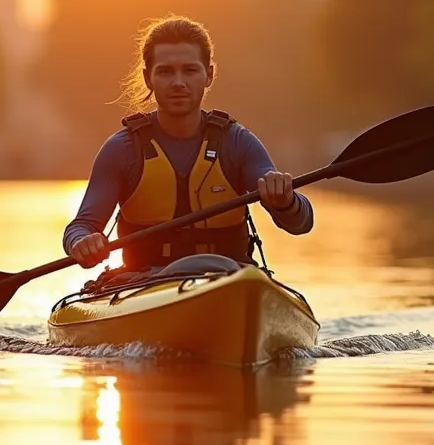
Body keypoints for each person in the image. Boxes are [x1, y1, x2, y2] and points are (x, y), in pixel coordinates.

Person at [62, 15, 314, 283]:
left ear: (209, 75)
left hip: (228, 280)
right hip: (143, 284)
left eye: (190, 70)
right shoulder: (121, 150)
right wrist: (82, 242)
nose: (178, 82)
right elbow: (80, 226)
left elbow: (301, 223)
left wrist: (286, 202)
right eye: (166, 72)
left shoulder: (238, 144)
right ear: (148, 78)